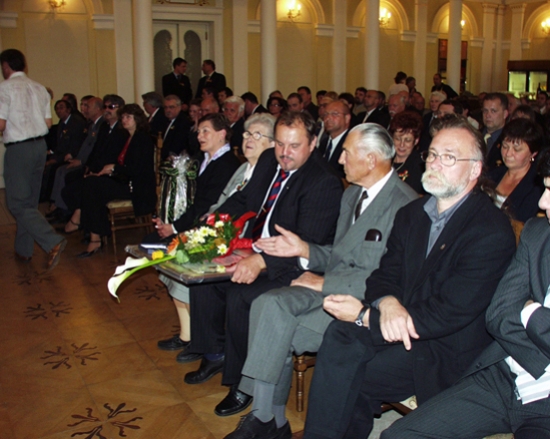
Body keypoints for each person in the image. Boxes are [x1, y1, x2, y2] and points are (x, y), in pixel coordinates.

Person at [302, 115, 517, 439]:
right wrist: (388, 303)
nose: (435, 163)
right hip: (403, 325)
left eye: (449, 157)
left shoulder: (490, 231)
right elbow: (383, 275)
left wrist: (366, 316)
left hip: (445, 349)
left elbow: (450, 312)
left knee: (352, 371)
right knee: (340, 336)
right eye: (433, 154)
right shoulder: (413, 214)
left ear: (474, 170)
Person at [221, 123, 417, 438]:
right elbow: (338, 253)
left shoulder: (405, 205)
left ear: (370, 160)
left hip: (361, 303)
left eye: (346, 153)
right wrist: (304, 249)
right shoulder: (352, 194)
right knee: (268, 303)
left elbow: (390, 277)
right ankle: (268, 417)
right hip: (331, 285)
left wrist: (324, 284)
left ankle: (269, 421)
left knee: (278, 328)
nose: (340, 159)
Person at [180, 112, 343, 418]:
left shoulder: (324, 181)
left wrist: (260, 261)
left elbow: (306, 243)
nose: (284, 153)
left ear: (313, 143)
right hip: (255, 247)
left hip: (294, 265)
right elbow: (245, 200)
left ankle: (244, 382)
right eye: (280, 143)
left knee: (242, 296)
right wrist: (212, 222)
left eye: (294, 146)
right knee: (204, 277)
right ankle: (215, 353)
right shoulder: (270, 160)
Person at [382, 148, 550, 439]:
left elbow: (502, 311)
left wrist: (531, 312)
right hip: (505, 376)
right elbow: (499, 314)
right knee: (397, 435)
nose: (542, 201)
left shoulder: (490, 226)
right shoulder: (539, 233)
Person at [157, 113, 276, 362]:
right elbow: (221, 203)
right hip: (220, 230)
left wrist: (209, 230)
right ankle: (192, 336)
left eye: (257, 135)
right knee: (173, 262)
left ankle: (208, 347)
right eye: (246, 134)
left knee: (192, 269)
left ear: (274, 143)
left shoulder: (269, 174)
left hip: (241, 240)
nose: (249, 139)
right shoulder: (243, 168)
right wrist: (205, 225)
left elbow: (247, 214)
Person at [0, 48, 66, 268]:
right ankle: (24, 249)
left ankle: (53, 241)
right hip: (39, 147)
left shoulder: (4, 88)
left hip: (19, 150)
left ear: (5, 66)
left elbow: (1, 124)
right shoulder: (40, 88)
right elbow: (48, 123)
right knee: (29, 202)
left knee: (17, 203)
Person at [75, 104, 157, 257]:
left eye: (128, 117)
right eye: (123, 117)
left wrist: (114, 168)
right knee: (91, 184)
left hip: (137, 187)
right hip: (125, 181)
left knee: (92, 186)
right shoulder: (128, 137)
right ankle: (95, 234)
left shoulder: (142, 139)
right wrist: (111, 170)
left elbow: (137, 170)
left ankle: (94, 235)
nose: (124, 120)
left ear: (137, 119)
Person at [149, 113, 242, 241]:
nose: (199, 136)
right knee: (149, 240)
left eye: (205, 131)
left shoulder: (226, 165)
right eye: (198, 132)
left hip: (207, 227)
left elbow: (205, 204)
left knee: (152, 242)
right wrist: (168, 220)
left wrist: (174, 227)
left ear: (222, 134)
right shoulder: (200, 158)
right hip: (188, 221)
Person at [489, 118, 544, 223]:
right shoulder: (493, 174)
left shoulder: (537, 187)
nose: (508, 153)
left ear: (533, 154)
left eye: (517, 149)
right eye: (505, 146)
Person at [389, 111, 425, 194]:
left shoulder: (419, 166)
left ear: (416, 141)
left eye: (407, 140)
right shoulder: (385, 159)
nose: (402, 144)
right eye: (398, 139)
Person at [317, 100, 350, 179]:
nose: (328, 118)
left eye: (334, 114)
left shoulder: (351, 143)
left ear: (346, 118)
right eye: (325, 114)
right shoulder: (324, 143)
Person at [482, 92, 509, 170]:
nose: (488, 115)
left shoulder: (509, 139)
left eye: (493, 111)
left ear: (505, 114)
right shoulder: (474, 136)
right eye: (485, 111)